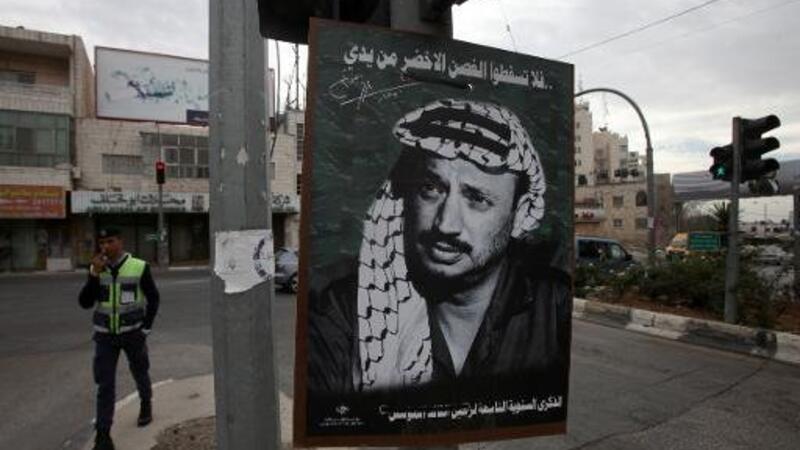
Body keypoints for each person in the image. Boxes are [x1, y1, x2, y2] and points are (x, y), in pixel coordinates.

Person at [308, 99, 571, 397]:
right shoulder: (345, 314)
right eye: (431, 189)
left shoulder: (554, 308)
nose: (446, 224)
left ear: (520, 215)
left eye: (477, 198)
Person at [79, 228, 160, 450]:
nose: (105, 246)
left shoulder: (139, 266)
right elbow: (85, 302)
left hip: (133, 333)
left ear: (120, 242)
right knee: (105, 384)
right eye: (102, 242)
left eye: (110, 241)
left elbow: (153, 298)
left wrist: (146, 328)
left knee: (140, 371)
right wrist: (94, 275)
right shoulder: (96, 269)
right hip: (105, 337)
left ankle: (145, 402)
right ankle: (103, 435)